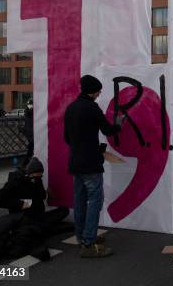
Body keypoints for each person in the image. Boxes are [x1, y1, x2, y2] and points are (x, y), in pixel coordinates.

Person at [64, 75, 122, 258]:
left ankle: (82, 238)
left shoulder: (71, 108)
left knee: (80, 202)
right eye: (98, 91)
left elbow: (67, 138)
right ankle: (89, 243)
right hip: (91, 164)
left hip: (75, 163)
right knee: (95, 202)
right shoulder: (92, 108)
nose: (99, 94)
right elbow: (107, 130)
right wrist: (119, 124)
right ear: (93, 91)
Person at [21, 99, 34, 168]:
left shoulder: (27, 113)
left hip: (30, 134)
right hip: (32, 134)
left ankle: (25, 164)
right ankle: (25, 164)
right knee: (31, 150)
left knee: (30, 150)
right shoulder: (30, 113)